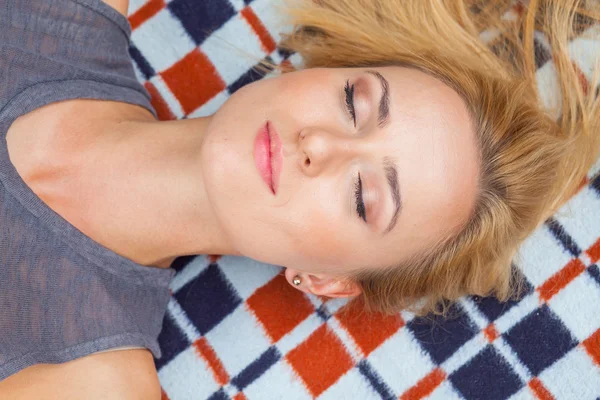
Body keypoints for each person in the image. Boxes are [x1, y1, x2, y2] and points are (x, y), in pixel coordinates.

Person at [1, 0, 599, 397]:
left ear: (325, 279)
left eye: (364, 198)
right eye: (353, 103)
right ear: (309, 71)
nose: (321, 145)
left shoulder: (88, 382)